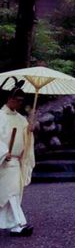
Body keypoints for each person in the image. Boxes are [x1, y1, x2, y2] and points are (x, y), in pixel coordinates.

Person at [0, 88, 35, 237]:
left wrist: (30, 129)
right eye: (17, 100)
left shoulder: (21, 119)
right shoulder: (0, 116)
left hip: (15, 162)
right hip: (4, 161)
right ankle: (19, 224)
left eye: (21, 100)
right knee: (10, 193)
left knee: (12, 193)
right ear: (9, 98)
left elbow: (26, 139)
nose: (19, 103)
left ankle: (17, 225)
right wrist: (2, 153)